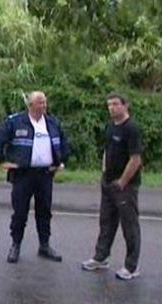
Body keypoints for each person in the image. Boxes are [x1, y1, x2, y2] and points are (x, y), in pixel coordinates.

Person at [0, 91, 69, 263]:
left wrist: (61, 161)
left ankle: (44, 245)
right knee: (20, 212)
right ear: (30, 105)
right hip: (23, 175)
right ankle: (15, 245)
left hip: (45, 174)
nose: (44, 105)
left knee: (45, 211)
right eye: (40, 102)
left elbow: (64, 142)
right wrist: (2, 161)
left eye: (45, 102)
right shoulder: (15, 122)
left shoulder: (53, 123)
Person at [81, 93, 143, 280]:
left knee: (129, 226)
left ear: (126, 106)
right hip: (107, 183)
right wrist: (104, 173)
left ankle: (131, 267)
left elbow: (136, 159)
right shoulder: (110, 127)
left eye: (116, 104)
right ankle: (101, 257)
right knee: (106, 222)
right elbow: (107, 151)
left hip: (125, 186)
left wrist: (123, 182)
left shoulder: (132, 128)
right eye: (109, 105)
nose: (112, 108)